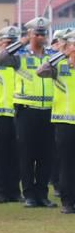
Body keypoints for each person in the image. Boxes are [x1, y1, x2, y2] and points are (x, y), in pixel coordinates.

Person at [0, 17, 58, 208]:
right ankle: (29, 193)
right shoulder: (20, 55)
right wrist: (20, 42)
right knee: (27, 154)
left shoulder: (52, 55)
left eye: (43, 33)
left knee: (46, 155)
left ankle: (42, 194)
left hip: (48, 110)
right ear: (30, 34)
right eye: (37, 33)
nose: (41, 37)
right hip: (26, 110)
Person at [38, 29, 75, 213]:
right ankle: (68, 202)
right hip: (64, 123)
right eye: (72, 45)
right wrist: (62, 54)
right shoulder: (58, 65)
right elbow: (40, 71)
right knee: (67, 163)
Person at [0, 26, 22, 203]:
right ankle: (0, 191)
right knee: (0, 155)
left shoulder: (21, 58)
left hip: (17, 112)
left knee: (17, 154)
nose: (10, 45)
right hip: (0, 113)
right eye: (7, 42)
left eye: (13, 42)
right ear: (1, 41)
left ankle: (14, 191)